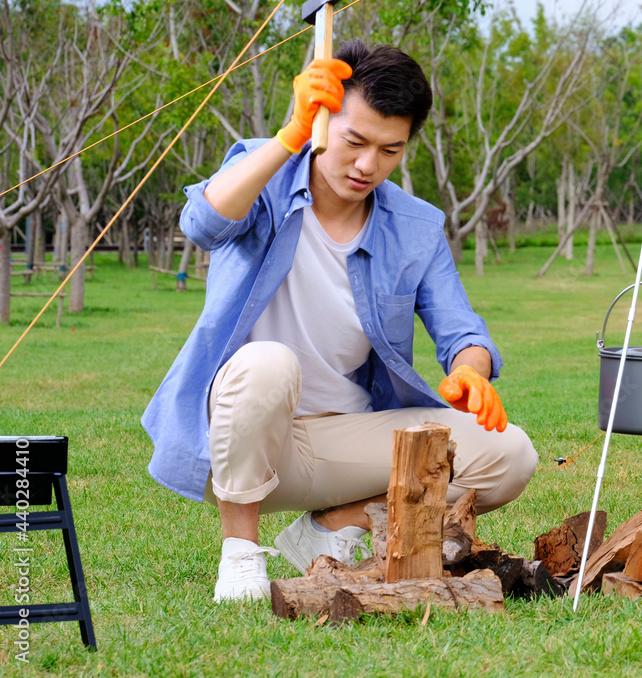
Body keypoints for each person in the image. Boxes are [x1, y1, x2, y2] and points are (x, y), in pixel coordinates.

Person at [142, 39, 538, 603]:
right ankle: (241, 555)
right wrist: (288, 136)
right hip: (242, 439)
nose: (367, 165)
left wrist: (471, 370)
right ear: (322, 121)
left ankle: (330, 527)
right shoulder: (266, 171)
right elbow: (204, 222)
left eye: (390, 150)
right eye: (354, 141)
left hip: (344, 436)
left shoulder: (415, 226)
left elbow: (462, 331)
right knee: (267, 363)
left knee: (511, 456)